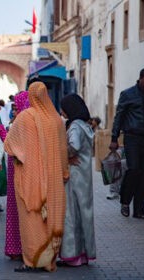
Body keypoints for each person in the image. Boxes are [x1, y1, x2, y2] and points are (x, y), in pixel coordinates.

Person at [4, 81, 69, 272]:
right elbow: (63, 150)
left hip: (31, 179)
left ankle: (32, 260)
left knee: (31, 219)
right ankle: (49, 259)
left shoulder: (25, 117)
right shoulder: (56, 120)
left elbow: (11, 145)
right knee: (50, 218)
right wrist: (64, 172)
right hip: (54, 178)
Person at [109, 68, 144, 219]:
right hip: (132, 137)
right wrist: (114, 137)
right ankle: (125, 201)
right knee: (134, 169)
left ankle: (139, 208)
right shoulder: (128, 94)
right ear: (140, 79)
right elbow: (119, 116)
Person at [57, 94, 96, 267]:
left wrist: (64, 156)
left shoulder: (74, 127)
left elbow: (74, 146)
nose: (61, 112)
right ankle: (86, 252)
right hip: (85, 175)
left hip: (74, 175)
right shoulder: (85, 125)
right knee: (85, 214)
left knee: (71, 214)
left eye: (63, 108)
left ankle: (73, 254)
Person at [4, 91, 29, 260]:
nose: (14, 111)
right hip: (16, 170)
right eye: (12, 108)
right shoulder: (22, 120)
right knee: (15, 209)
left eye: (16, 107)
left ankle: (19, 249)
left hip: (20, 170)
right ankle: (17, 248)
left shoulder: (23, 122)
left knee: (19, 209)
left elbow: (12, 145)